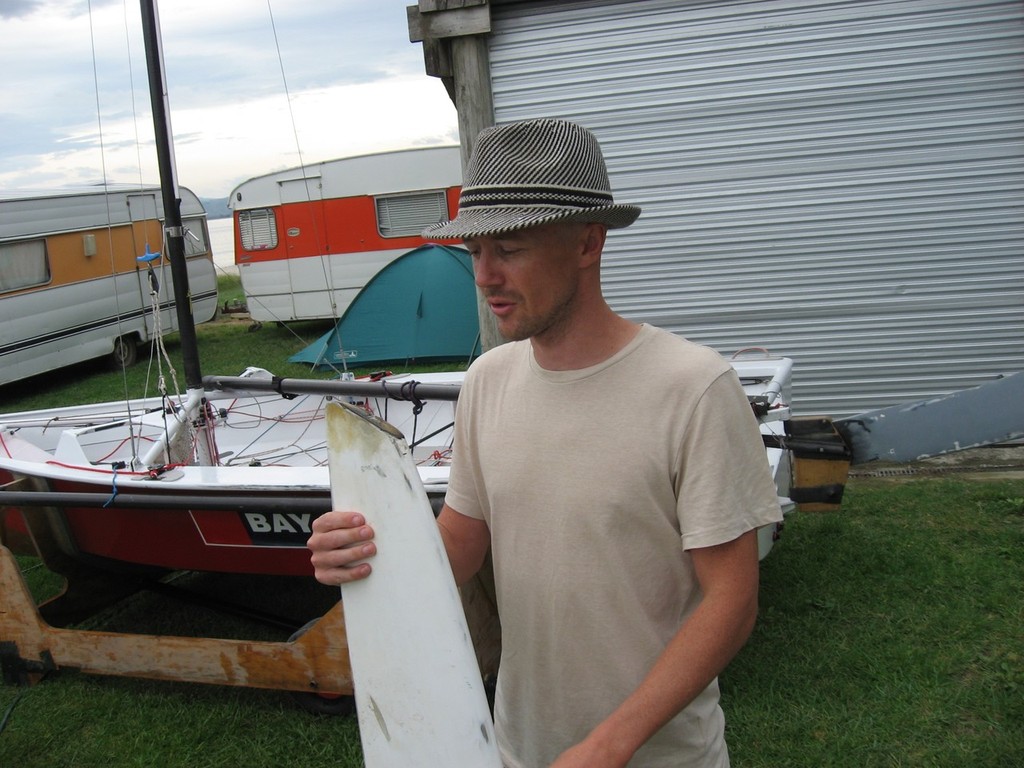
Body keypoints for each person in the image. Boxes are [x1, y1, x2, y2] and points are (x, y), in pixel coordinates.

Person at [308, 118, 782, 767]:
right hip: (518, 749)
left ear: (588, 243)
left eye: (511, 248)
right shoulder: (489, 380)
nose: (484, 275)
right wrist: (368, 559)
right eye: (475, 251)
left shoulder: (693, 388)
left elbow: (732, 600)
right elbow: (460, 547)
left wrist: (609, 744)